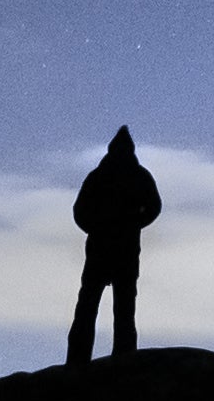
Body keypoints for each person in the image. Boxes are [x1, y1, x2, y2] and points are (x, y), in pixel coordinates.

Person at [67, 127, 161, 364]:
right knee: (118, 304)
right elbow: (154, 207)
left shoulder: (99, 176)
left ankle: (83, 359)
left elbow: (80, 212)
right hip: (121, 249)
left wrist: (98, 226)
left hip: (107, 248)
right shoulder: (137, 175)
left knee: (97, 304)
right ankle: (121, 355)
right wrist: (135, 222)